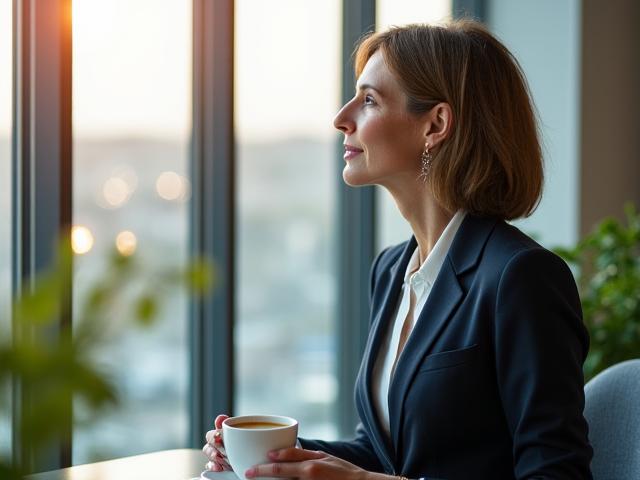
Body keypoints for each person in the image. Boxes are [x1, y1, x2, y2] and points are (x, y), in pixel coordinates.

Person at [202, 19, 593, 479]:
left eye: (368, 100)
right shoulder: (391, 271)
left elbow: (555, 474)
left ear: (435, 124)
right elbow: (385, 451)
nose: (341, 117)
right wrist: (272, 455)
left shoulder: (520, 277)